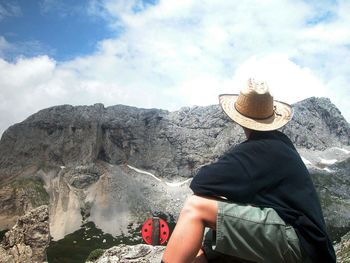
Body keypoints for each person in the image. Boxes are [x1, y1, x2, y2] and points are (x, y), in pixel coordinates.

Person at [161, 79, 336, 263]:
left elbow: (200, 182)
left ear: (240, 118)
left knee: (195, 207)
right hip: (309, 247)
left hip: (301, 246)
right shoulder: (280, 144)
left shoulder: (259, 149)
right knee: (206, 251)